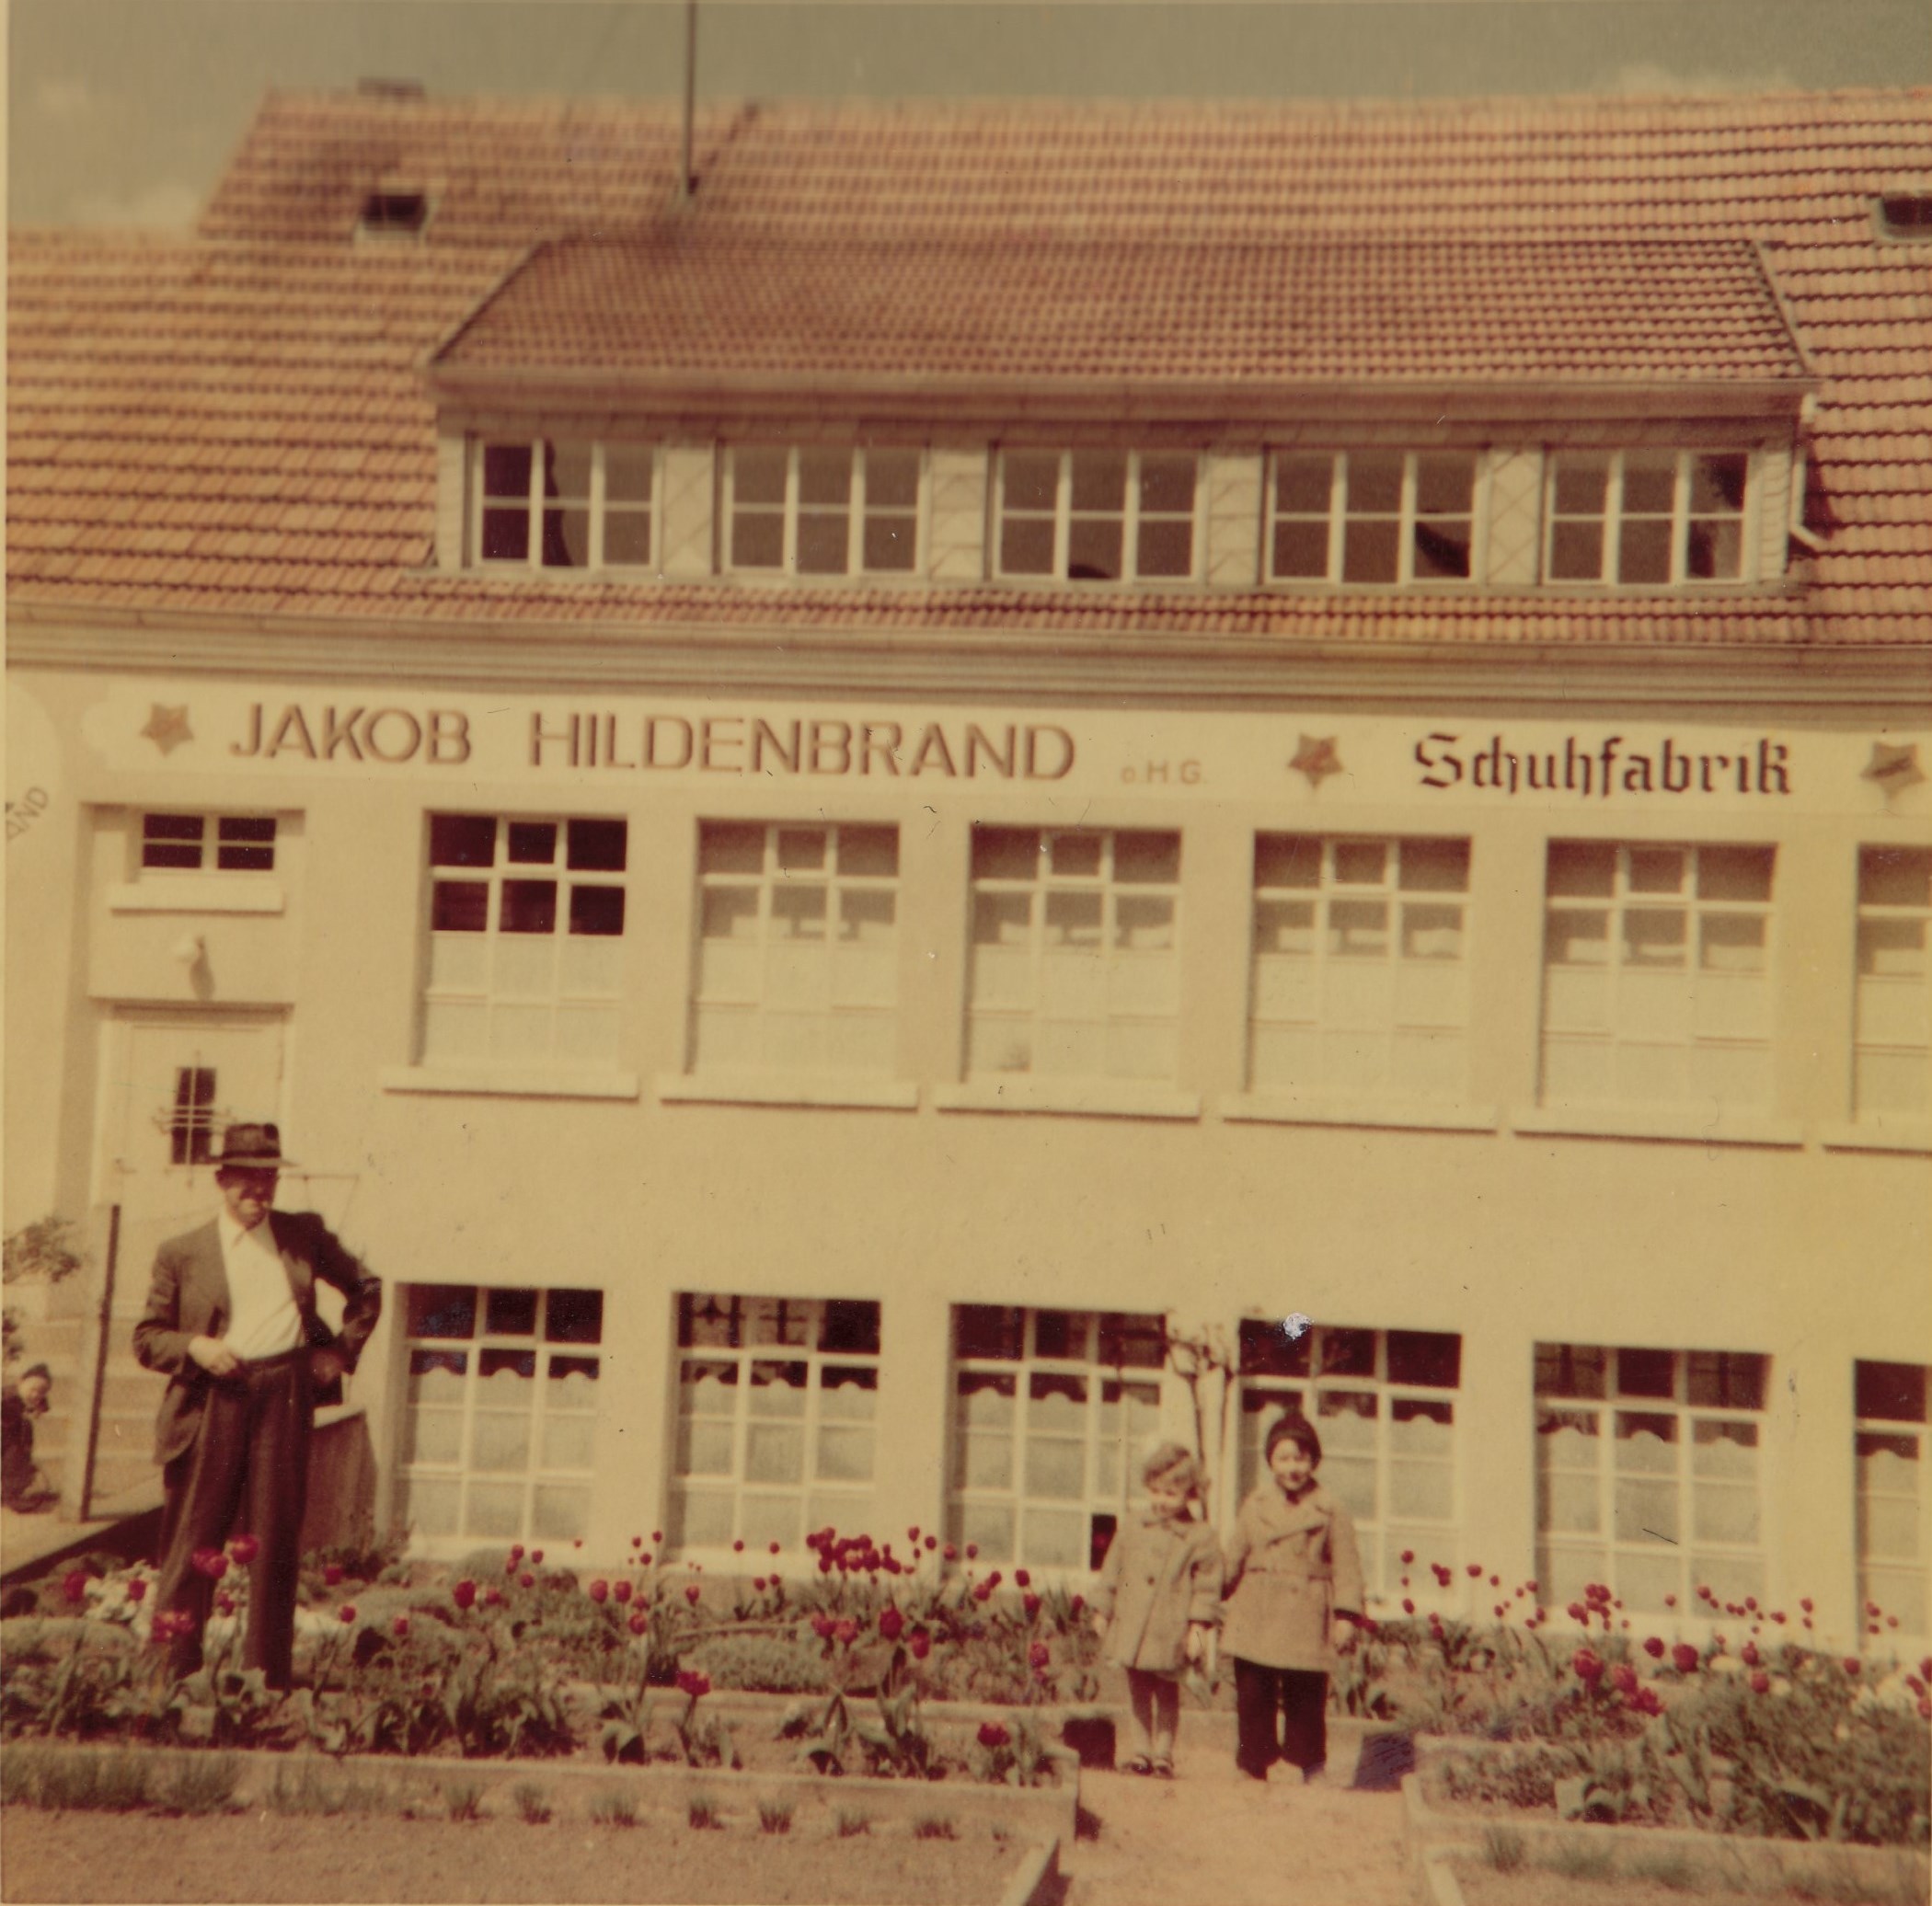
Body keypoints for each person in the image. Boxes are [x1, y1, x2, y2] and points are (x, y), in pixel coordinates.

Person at [133, 1121, 381, 1688]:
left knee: (273, 1543)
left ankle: (264, 1681)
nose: (259, 1191)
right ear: (221, 1181)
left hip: (283, 1395)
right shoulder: (182, 1253)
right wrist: (195, 1346)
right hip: (211, 1401)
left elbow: (367, 1287)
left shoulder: (302, 1235)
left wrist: (339, 1353)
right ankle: (167, 1679)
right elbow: (147, 1338)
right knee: (193, 1538)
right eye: (247, 1179)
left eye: (268, 1178)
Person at [1221, 1412, 1364, 1788]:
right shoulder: (1254, 1504)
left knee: (1307, 1693)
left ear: (1314, 1460)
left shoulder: (1330, 1508)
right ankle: (1253, 1762)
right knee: (1253, 1692)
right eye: (1283, 1458)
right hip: (1257, 1608)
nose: (1292, 1468)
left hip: (1307, 1609)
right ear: (1270, 1461)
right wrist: (1212, 1591)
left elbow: (1347, 1565)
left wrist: (1346, 1614)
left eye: (1300, 1458)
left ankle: (1310, 1762)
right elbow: (1234, 1555)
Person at [1089, 1441, 1223, 1777]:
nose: (1162, 1501)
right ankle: (1140, 1751)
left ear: (1190, 1493)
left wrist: (1198, 1629)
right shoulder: (1133, 1526)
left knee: (1166, 1691)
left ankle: (1163, 1752)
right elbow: (1112, 1570)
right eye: (1156, 1491)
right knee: (1137, 1691)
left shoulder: (1200, 1536)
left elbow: (1206, 1588)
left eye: (1171, 1494)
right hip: (1133, 1626)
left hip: (1170, 1629)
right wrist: (1103, 1609)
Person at [2, 1363, 57, 1512]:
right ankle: (11, 1495)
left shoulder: (33, 1399)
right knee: (13, 1461)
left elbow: (43, 1405)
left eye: (42, 1392)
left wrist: (38, 1408)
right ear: (20, 1382)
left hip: (16, 1438)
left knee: (17, 1461)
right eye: (33, 1389)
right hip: (5, 1435)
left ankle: (12, 1493)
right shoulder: (9, 1395)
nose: (36, 1395)